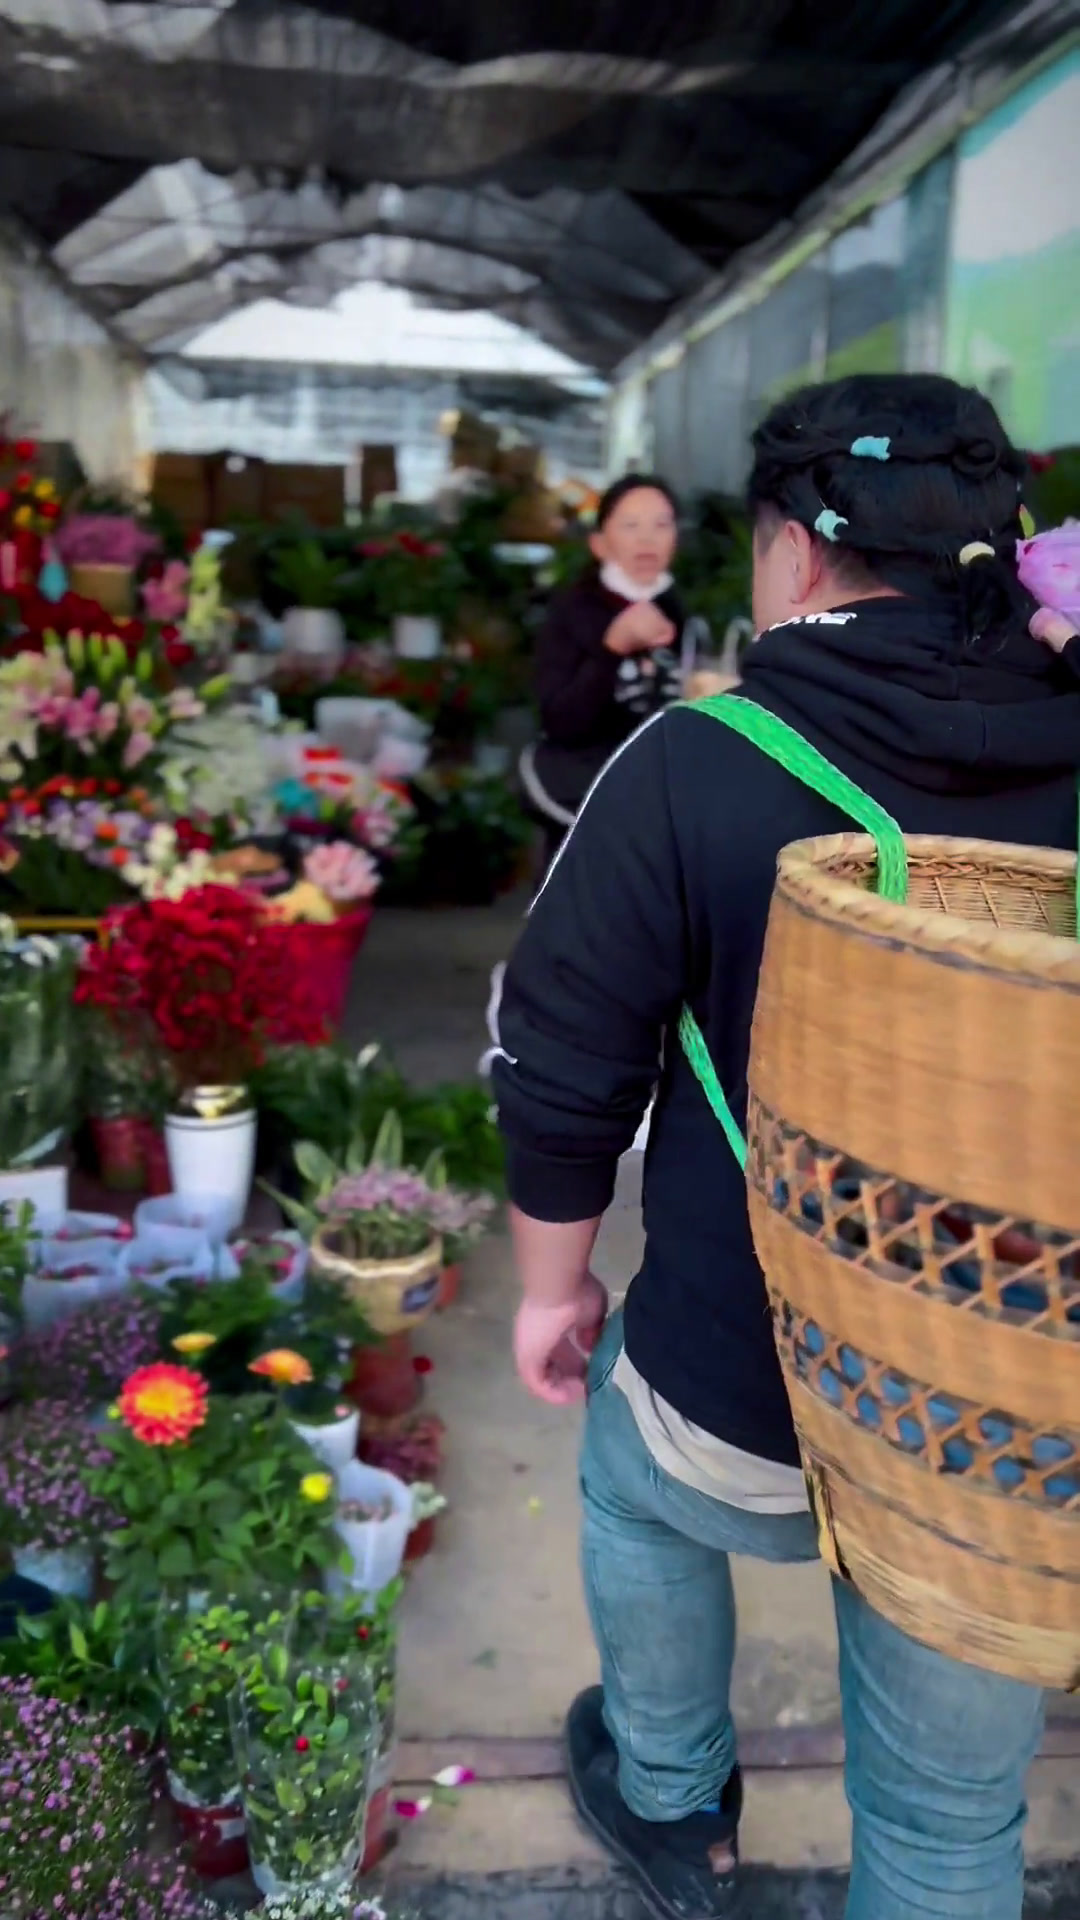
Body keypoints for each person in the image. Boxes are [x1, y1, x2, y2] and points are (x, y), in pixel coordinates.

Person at [492, 374, 1080, 1920]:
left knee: (626, 1479)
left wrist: (555, 1291)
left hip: (743, 1370)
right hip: (1008, 1412)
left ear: (796, 558)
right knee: (953, 1825)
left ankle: (677, 1799)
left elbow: (563, 1061)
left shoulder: (701, 763)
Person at [520, 476, 687, 870]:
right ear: (599, 543)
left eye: (661, 525)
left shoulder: (678, 611)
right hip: (582, 801)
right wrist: (613, 649)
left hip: (659, 807)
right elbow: (559, 721)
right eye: (630, 525)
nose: (647, 539)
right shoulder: (571, 612)